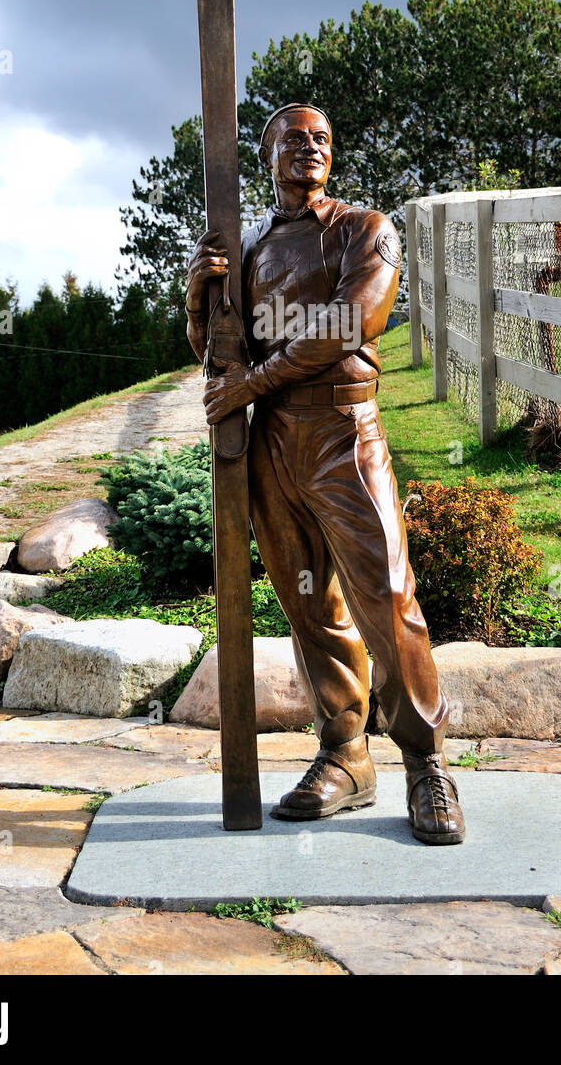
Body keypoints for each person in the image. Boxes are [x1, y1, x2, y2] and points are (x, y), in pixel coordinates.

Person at [185, 102, 464, 845]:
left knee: (385, 597)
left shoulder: (364, 229)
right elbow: (219, 355)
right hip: (272, 441)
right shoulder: (245, 245)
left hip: (345, 431)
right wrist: (197, 297)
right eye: (292, 138)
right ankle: (345, 756)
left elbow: (353, 320)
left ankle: (426, 763)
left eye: (321, 139)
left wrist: (251, 382)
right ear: (267, 153)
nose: (308, 148)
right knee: (310, 607)